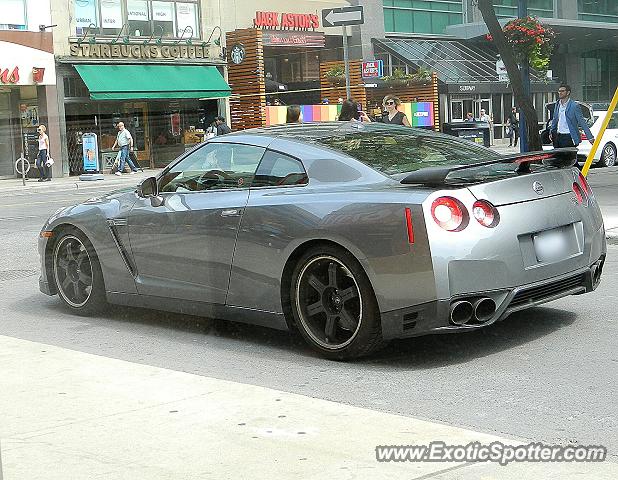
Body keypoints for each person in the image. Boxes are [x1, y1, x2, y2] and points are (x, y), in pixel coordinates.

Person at [550, 84, 595, 148]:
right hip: (558, 136)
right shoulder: (557, 105)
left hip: (569, 136)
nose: (560, 93)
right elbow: (555, 119)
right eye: (559, 91)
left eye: (562, 91)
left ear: (568, 92)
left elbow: (582, 122)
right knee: (558, 157)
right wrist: (551, 131)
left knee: (569, 157)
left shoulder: (574, 106)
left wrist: (590, 137)